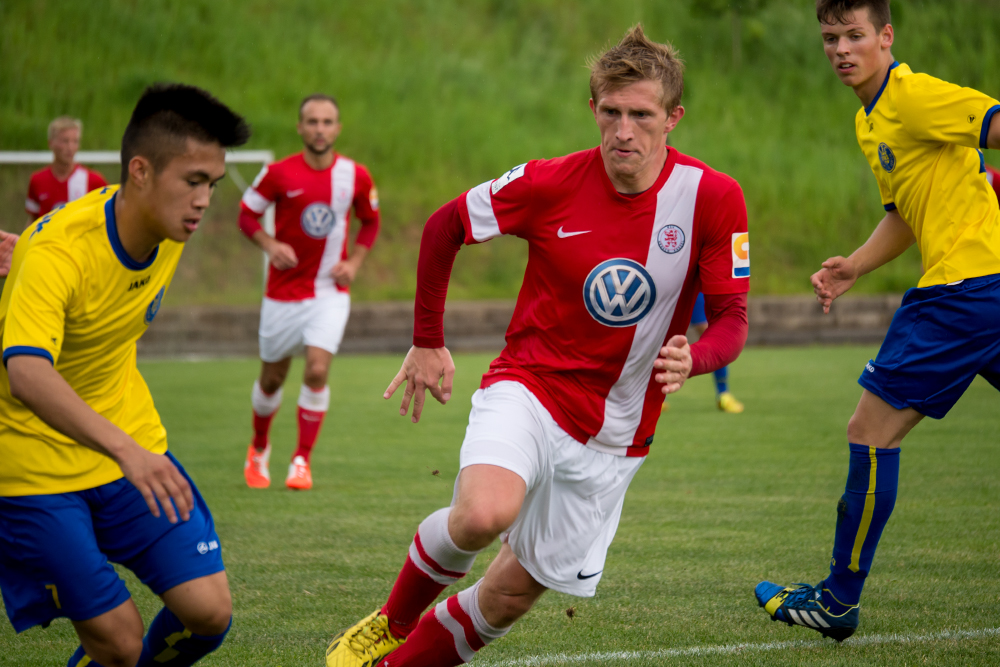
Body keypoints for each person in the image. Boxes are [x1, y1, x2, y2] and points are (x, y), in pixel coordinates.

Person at [325, 25, 750, 667]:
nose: (623, 132)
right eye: (611, 112)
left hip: (617, 435)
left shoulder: (713, 198)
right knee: (480, 516)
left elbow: (733, 320)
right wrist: (427, 341)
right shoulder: (550, 182)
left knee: (506, 599)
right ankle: (392, 622)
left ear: (673, 119)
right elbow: (446, 226)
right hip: (530, 387)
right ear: (594, 110)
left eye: (641, 115)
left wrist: (700, 357)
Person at [755, 0, 1000, 642]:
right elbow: (904, 212)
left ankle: (838, 599)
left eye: (854, 35)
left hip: (962, 292)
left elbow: (994, 124)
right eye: (830, 37)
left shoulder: (913, 96)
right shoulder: (870, 121)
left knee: (870, 432)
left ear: (885, 36)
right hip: (987, 289)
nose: (841, 48)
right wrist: (855, 266)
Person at [0, 83, 250, 667]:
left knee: (209, 615)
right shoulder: (59, 251)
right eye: (193, 181)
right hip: (31, 464)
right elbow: (27, 374)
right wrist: (128, 452)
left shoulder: (166, 230)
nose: (205, 201)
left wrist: (130, 448)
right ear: (140, 171)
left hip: (126, 443)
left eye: (211, 184)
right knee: (118, 640)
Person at [238, 94, 380, 491]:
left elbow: (370, 221)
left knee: (317, 369)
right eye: (312, 122)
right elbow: (246, 214)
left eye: (327, 121)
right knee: (272, 379)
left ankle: (301, 460)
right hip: (282, 295)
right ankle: (259, 447)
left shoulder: (355, 175)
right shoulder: (277, 173)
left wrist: (353, 264)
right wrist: (269, 245)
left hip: (328, 291)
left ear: (337, 128)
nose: (320, 129)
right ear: (300, 128)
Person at [25, 116, 108, 224]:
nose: (70, 147)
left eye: (75, 141)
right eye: (65, 141)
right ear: (51, 143)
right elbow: (33, 221)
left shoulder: (94, 180)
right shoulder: (37, 180)